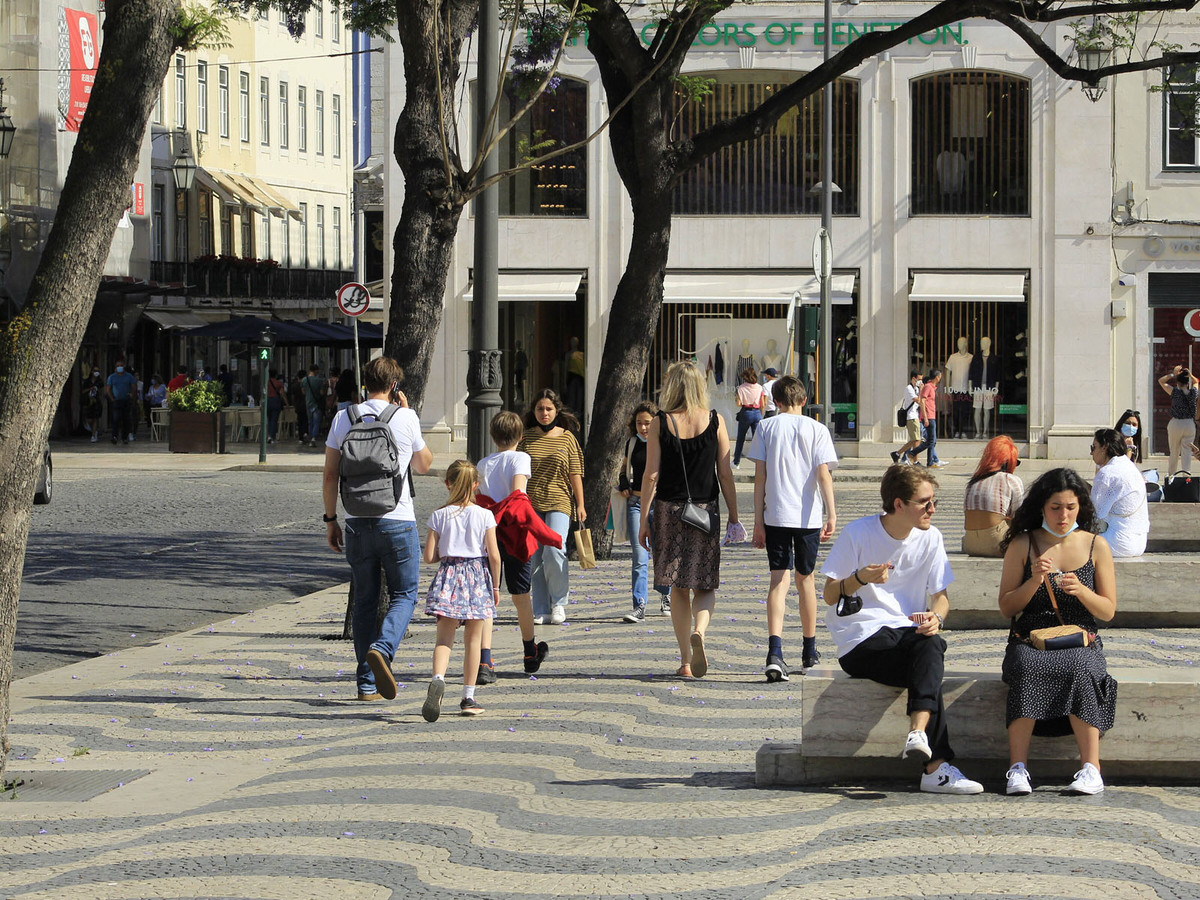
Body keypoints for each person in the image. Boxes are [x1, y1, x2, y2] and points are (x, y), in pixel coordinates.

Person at [820, 465, 984, 795]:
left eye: (934, 501)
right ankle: (934, 765)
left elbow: (941, 598)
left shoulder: (932, 538)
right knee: (928, 660)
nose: (932, 509)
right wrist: (861, 578)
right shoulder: (859, 533)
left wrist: (936, 618)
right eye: (924, 503)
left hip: (905, 636)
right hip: (861, 641)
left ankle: (920, 739)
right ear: (899, 504)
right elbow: (828, 594)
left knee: (930, 643)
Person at [998, 468, 1118, 795]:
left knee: (1081, 666)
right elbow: (1007, 607)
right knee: (1027, 666)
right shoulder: (1024, 543)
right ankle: (1017, 768)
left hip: (1080, 638)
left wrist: (1081, 591)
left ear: (1081, 507)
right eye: (1055, 507)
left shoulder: (1096, 546)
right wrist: (1034, 581)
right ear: (1041, 506)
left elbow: (1107, 610)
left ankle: (1091, 768)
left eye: (1070, 507)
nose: (1063, 515)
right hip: (1030, 638)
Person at [323, 356, 433, 702]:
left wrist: (331, 519)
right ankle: (383, 648)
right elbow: (424, 465)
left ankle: (366, 684)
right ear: (394, 385)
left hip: (356, 521)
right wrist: (408, 411)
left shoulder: (344, 417)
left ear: (364, 384)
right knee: (404, 595)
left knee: (366, 601)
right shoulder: (405, 417)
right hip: (397, 520)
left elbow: (329, 474)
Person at [638, 361, 741, 679]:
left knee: (678, 587)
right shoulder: (716, 421)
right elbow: (724, 472)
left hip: (669, 511)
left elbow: (651, 474)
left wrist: (644, 519)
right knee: (705, 582)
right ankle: (702, 631)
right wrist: (734, 516)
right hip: (705, 510)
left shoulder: (660, 422)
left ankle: (685, 660)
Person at [747, 375, 837, 682]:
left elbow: (760, 478)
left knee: (778, 582)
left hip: (776, 516)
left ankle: (775, 652)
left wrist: (758, 520)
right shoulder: (817, 429)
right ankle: (809, 651)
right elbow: (824, 474)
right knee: (806, 580)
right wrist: (831, 513)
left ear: (776, 401)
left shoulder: (766, 428)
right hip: (808, 518)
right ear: (803, 399)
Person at [475, 411, 559, 681]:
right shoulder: (521, 457)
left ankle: (485, 661)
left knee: (488, 597)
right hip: (515, 533)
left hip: (490, 533)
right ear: (521, 437)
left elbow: (481, 498)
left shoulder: (483, 463)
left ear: (493, 436)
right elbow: (518, 495)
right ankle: (529, 651)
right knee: (521, 595)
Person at [420, 460, 502, 721]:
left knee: (444, 640)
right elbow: (495, 556)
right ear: (476, 485)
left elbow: (429, 556)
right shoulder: (484, 515)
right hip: (477, 577)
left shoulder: (439, 515)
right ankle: (468, 696)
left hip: (449, 575)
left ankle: (438, 678)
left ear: (448, 484)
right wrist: (496, 586)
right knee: (473, 642)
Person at [518, 389, 586, 625]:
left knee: (554, 551)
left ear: (556, 410)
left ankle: (559, 603)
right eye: (540, 409)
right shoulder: (526, 438)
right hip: (532, 504)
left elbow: (575, 472)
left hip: (560, 500)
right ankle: (541, 608)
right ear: (533, 411)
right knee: (535, 557)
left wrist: (581, 504)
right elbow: (517, 471)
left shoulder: (567, 437)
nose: (544, 413)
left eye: (548, 409)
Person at [617, 402, 671, 622]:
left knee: (661, 552)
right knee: (639, 557)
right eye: (639, 423)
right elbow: (624, 468)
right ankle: (639, 605)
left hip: (660, 503)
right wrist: (623, 483)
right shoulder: (632, 444)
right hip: (636, 503)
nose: (643, 427)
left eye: (647, 423)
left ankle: (665, 595)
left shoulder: (663, 443)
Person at [1089, 428, 1149, 558]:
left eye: (1094, 447)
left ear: (1104, 448)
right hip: (1140, 543)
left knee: (1069, 542)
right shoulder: (1131, 467)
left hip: (1117, 542)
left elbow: (1095, 514)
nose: (1091, 452)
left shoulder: (1107, 473)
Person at [963, 436, 1025, 558]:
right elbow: (1019, 517)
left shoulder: (972, 483)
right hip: (998, 544)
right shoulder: (1010, 480)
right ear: (1008, 462)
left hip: (969, 544)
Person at [1158, 365, 1198, 475]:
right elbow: (1196, 382)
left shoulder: (1175, 392)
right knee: (1187, 452)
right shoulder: (1193, 393)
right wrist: (1190, 375)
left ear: (1178, 383)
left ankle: (1171, 475)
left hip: (1176, 423)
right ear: (1187, 382)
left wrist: (1173, 374)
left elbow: (1161, 381)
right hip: (1189, 423)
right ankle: (1186, 475)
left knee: (1174, 451)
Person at [732, 367, 766, 469]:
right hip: (757, 413)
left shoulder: (741, 388)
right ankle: (761, 462)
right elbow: (763, 404)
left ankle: (736, 462)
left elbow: (738, 404)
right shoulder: (760, 388)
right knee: (759, 439)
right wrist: (761, 414)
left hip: (746, 412)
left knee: (741, 438)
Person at [891, 372, 923, 466]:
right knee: (916, 440)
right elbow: (918, 400)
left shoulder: (915, 389)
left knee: (915, 439)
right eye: (919, 379)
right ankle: (915, 460)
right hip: (911, 417)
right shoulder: (909, 388)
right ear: (913, 378)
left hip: (915, 416)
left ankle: (897, 454)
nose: (920, 382)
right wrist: (921, 391)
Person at [914, 368, 944, 468]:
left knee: (932, 441)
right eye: (939, 376)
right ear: (937, 377)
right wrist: (925, 418)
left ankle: (930, 462)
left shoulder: (931, 387)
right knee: (931, 441)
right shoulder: (928, 387)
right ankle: (912, 454)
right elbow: (922, 401)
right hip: (928, 416)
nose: (940, 378)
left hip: (931, 415)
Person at [105, 358, 138, 445]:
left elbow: (134, 386)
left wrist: (132, 394)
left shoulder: (129, 376)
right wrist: (112, 398)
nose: (119, 367)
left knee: (126, 419)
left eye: (121, 366)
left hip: (126, 400)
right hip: (116, 401)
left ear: (124, 366)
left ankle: (124, 437)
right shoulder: (112, 377)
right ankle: (114, 436)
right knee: (115, 419)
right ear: (115, 368)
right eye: (117, 366)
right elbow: (108, 389)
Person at [303, 364, 328, 448]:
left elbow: (303, 392)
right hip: (317, 403)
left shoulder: (304, 380)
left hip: (308, 402)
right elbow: (321, 393)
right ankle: (314, 437)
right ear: (316, 370)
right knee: (316, 422)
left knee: (310, 422)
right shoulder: (319, 381)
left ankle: (310, 437)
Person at [265, 369, 288, 444]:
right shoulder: (279, 383)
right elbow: (283, 394)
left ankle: (269, 435)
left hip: (267, 401)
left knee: (269, 419)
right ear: (276, 375)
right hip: (276, 401)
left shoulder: (266, 383)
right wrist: (286, 403)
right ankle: (272, 436)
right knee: (274, 420)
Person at [82, 367, 104, 442]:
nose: (96, 372)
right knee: (89, 419)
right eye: (95, 371)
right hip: (88, 402)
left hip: (96, 402)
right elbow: (83, 391)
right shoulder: (87, 381)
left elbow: (101, 392)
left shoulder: (100, 382)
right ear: (91, 371)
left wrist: (97, 390)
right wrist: (90, 389)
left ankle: (94, 435)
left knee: (95, 418)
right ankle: (94, 431)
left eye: (98, 371)